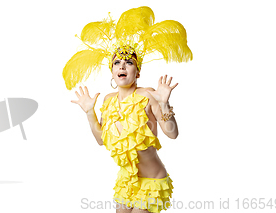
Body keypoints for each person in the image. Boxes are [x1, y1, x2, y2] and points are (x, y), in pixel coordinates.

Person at [63, 6, 192, 213]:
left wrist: (164, 103)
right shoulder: (108, 101)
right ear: (112, 71)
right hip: (128, 180)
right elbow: (101, 140)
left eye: (129, 62)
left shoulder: (147, 95)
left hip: (152, 180)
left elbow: (172, 133)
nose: (122, 66)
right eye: (117, 63)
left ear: (137, 72)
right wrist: (89, 112)